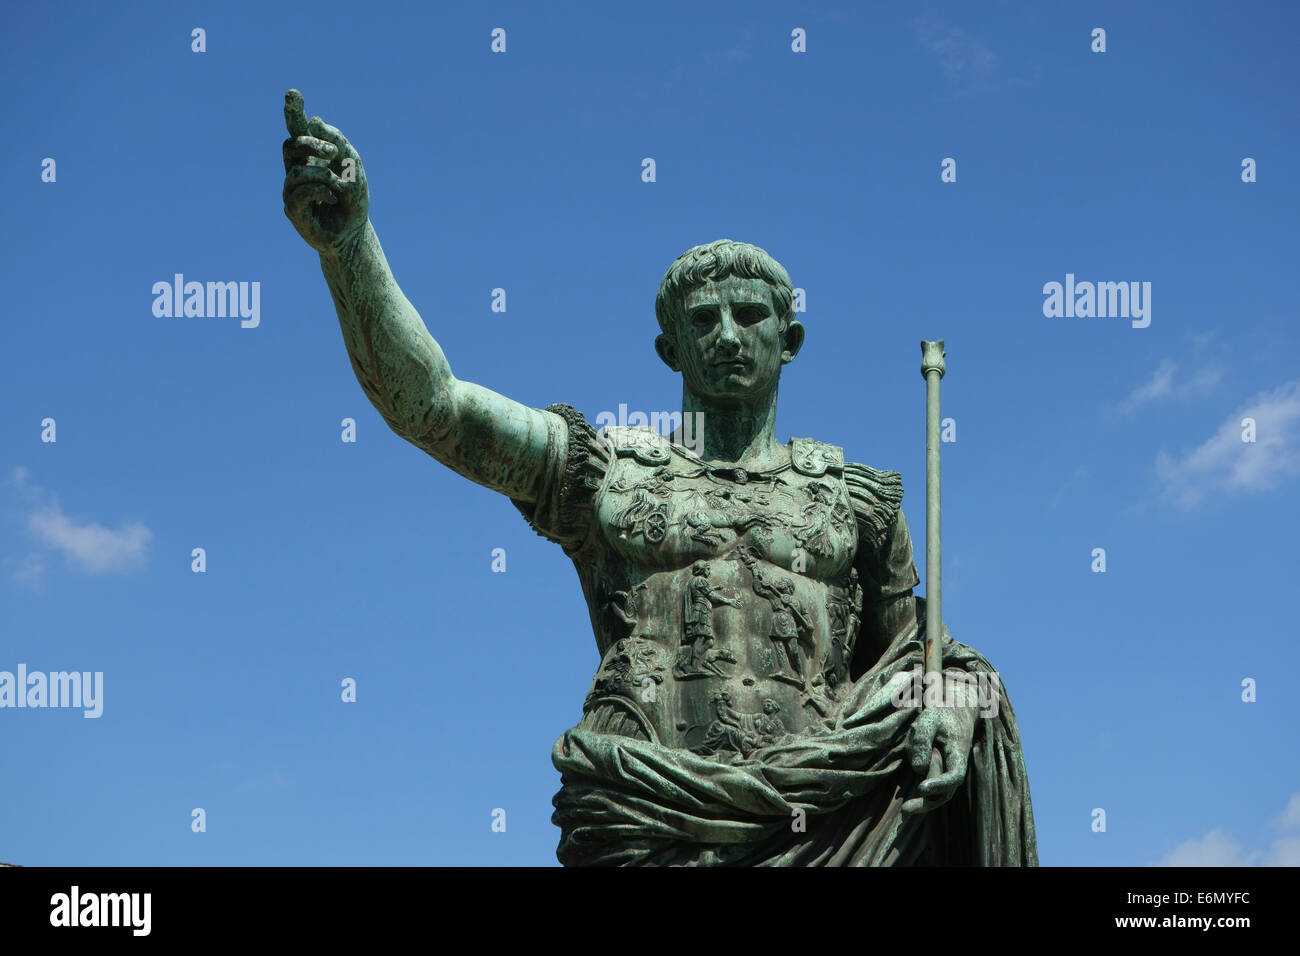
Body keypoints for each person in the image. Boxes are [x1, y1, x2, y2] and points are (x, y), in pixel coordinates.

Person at [282, 90, 1037, 866]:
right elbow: (434, 408)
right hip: (642, 818)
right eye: (703, 321)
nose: (728, 334)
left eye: (750, 316)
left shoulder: (855, 500)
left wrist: (950, 702)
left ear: (792, 341)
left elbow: (919, 658)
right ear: (668, 349)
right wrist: (349, 248)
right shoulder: (604, 473)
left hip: (824, 828)